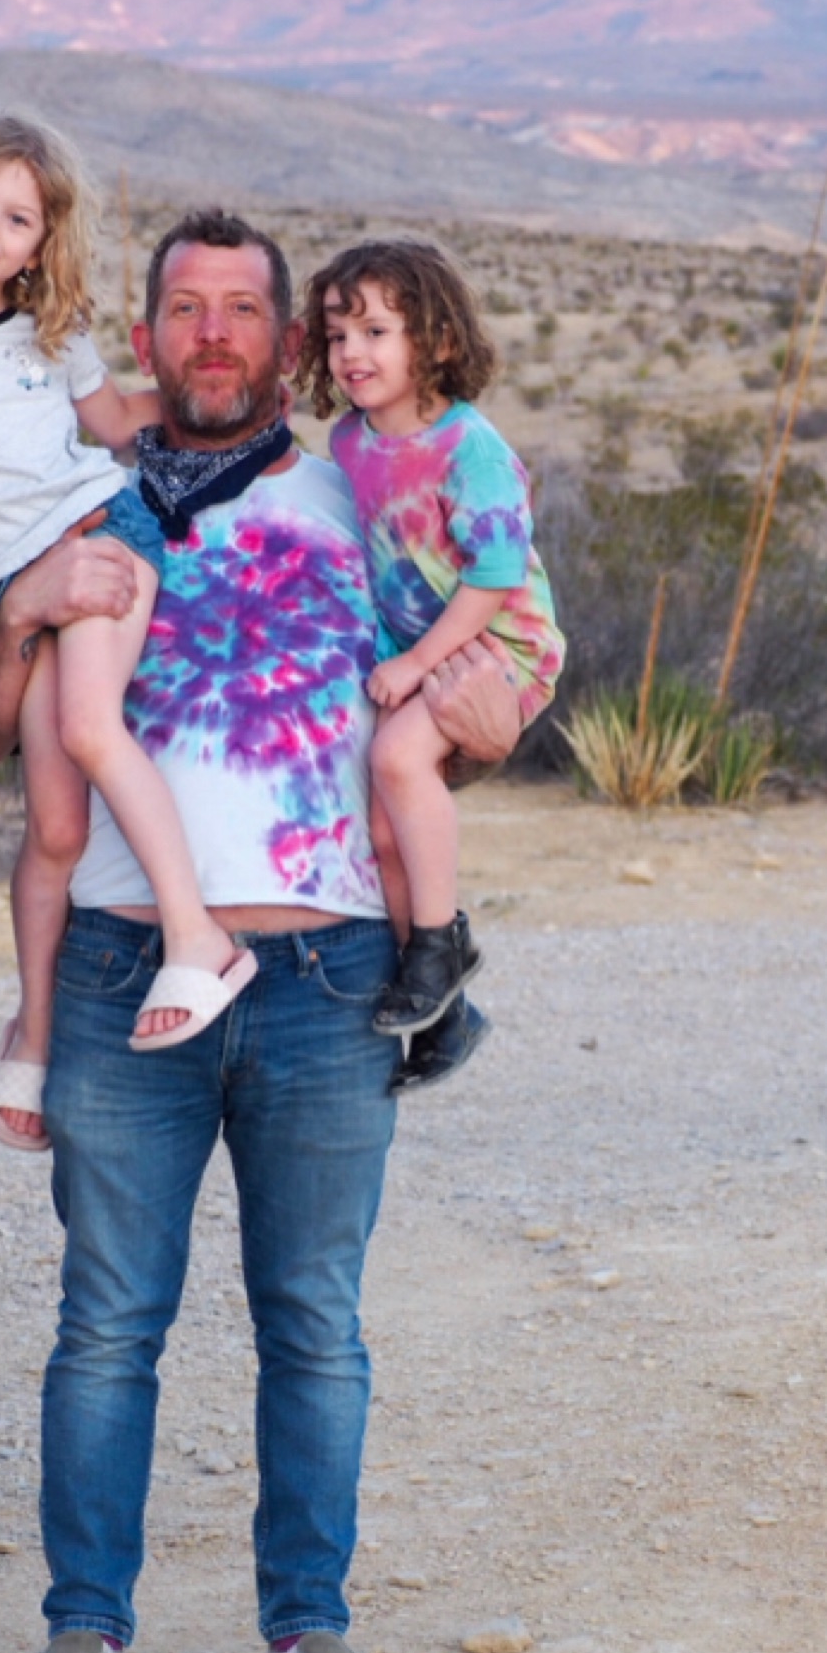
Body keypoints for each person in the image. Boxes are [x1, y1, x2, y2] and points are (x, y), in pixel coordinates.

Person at [0, 211, 521, 1653]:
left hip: (327, 974)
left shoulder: (356, 497)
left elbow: (459, 683)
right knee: (106, 1320)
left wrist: (488, 731)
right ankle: (84, 1625)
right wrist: (21, 613)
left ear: (289, 344)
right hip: (120, 968)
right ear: (145, 338)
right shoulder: (81, 506)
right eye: (185, 309)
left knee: (314, 1321)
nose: (213, 333)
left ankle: (309, 1621)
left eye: (244, 310)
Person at [0, 116, 254, 1162]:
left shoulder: (51, 329)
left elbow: (120, 424)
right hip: (2, 590)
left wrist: (234, 401)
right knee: (54, 828)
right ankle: (33, 1031)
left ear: (43, 243)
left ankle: (200, 940)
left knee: (88, 728)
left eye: (17, 218)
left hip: (101, 531)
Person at [297, 239, 564, 1087]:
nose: (352, 353)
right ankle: (448, 1016)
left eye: (376, 332)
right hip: (416, 651)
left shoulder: (468, 449)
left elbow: (494, 577)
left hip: (498, 646)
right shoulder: (350, 440)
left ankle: (440, 946)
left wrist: (415, 661)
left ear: (436, 340)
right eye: (337, 335)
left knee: (394, 758)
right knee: (383, 830)